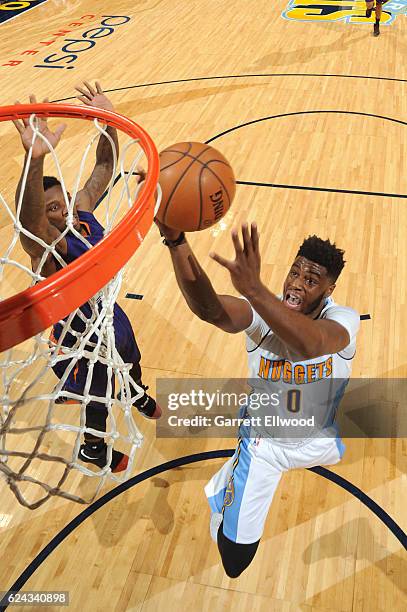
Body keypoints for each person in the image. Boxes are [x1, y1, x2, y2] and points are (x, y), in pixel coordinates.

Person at [157, 221, 360, 578]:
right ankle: (227, 495)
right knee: (235, 562)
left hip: (317, 439)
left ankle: (228, 488)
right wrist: (176, 242)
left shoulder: (342, 319)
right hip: (264, 445)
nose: (296, 283)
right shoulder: (260, 317)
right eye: (294, 271)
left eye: (310, 280)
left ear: (330, 289)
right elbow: (210, 309)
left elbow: (309, 345)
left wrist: (254, 289)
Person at [13, 81, 161, 474]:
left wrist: (107, 120)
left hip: (109, 315)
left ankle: (137, 393)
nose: (57, 214)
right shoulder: (48, 249)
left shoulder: (80, 210)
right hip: (81, 337)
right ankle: (93, 448)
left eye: (59, 205)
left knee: (131, 361)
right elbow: (30, 224)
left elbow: (104, 167)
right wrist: (35, 159)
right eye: (49, 211)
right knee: (98, 395)